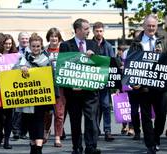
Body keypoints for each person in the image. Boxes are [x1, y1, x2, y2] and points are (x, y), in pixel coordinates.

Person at [125, 14, 167, 154]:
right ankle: (150, 144)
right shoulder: (135, 43)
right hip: (143, 86)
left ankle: (156, 137)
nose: (151, 28)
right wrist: (133, 83)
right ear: (144, 26)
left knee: (161, 115)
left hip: (160, 85)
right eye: (149, 26)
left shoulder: (163, 41)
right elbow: (130, 64)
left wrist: (161, 54)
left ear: (156, 27)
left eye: (154, 26)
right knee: (145, 117)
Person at [59, 18, 101, 154]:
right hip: (73, 92)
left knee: (91, 119)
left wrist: (94, 57)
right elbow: (62, 68)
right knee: (75, 120)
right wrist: (71, 86)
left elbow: (100, 65)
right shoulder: (65, 45)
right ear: (77, 30)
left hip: (90, 92)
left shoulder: (93, 44)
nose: (89, 31)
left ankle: (91, 147)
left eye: (89, 28)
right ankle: (76, 147)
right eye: (86, 29)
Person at [15, 33, 52, 154]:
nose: (36, 48)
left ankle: (39, 148)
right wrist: (21, 68)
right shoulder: (23, 58)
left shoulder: (47, 59)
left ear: (41, 46)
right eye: (33, 46)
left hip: (41, 96)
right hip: (28, 97)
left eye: (38, 46)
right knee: (30, 122)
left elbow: (52, 76)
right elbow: (13, 72)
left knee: (39, 121)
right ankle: (32, 146)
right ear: (30, 46)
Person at [92, 21, 115, 142]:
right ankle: (95, 130)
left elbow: (113, 63)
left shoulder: (109, 46)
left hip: (105, 81)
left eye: (101, 31)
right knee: (94, 108)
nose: (99, 33)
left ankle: (108, 131)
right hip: (92, 81)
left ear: (103, 31)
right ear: (93, 31)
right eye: (97, 31)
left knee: (106, 106)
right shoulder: (89, 44)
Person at [43, 27, 65, 147]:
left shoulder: (64, 50)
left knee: (59, 113)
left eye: (56, 37)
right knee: (47, 112)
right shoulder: (44, 50)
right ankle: (46, 131)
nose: (54, 38)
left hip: (60, 85)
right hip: (47, 85)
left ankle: (57, 137)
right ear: (49, 38)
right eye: (51, 36)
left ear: (59, 38)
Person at [12, 31, 30, 140]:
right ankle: (16, 131)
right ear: (18, 40)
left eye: (26, 39)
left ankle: (24, 131)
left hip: (29, 83)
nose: (24, 40)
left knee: (27, 109)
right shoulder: (13, 52)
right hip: (16, 82)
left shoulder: (33, 50)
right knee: (17, 109)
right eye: (22, 39)